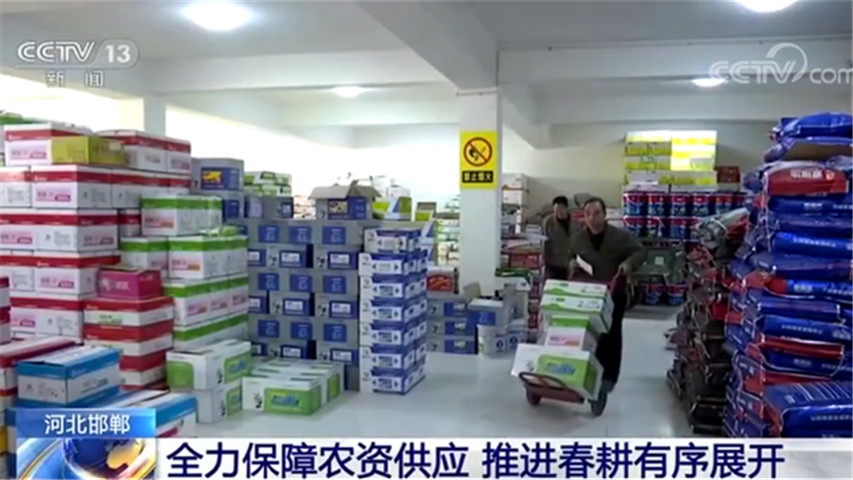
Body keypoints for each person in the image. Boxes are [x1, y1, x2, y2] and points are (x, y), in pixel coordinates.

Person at [568, 196, 645, 393]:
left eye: (596, 214)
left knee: (611, 335)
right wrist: (572, 263)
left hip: (613, 292)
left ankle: (609, 376)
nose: (592, 218)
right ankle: (586, 371)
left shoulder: (619, 237)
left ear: (604, 215)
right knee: (589, 333)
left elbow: (640, 251)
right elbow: (570, 256)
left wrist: (628, 265)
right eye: (588, 214)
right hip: (588, 293)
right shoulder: (577, 238)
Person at [542, 195, 578, 280]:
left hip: (570, 263)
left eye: (561, 209)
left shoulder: (575, 223)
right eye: (556, 210)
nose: (558, 212)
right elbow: (543, 241)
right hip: (553, 263)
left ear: (567, 208)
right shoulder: (548, 222)